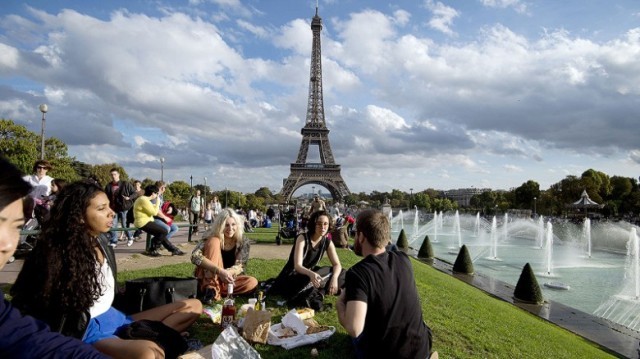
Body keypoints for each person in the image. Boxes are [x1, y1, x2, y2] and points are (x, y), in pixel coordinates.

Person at [10, 179, 202, 358]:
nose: (111, 212)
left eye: (109, 206)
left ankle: (142, 339)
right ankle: (143, 342)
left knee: (194, 306)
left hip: (116, 317)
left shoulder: (102, 241)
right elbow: (29, 301)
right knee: (149, 354)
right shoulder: (56, 253)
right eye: (102, 208)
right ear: (79, 216)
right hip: (88, 329)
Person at [0, 157, 108, 358]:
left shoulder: (3, 315)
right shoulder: (56, 250)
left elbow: (35, 341)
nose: (7, 244)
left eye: (16, 226)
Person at [336, 209, 433, 359]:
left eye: (356, 233)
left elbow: (354, 328)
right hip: (421, 351)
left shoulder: (358, 273)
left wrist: (340, 303)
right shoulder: (404, 259)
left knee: (356, 338)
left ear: (361, 237)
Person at [269, 210, 345, 303]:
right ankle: (322, 290)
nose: (322, 227)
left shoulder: (327, 242)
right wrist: (311, 274)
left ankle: (322, 288)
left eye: (325, 224)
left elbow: (337, 264)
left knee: (341, 272)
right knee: (311, 278)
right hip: (294, 275)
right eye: (319, 224)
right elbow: (297, 266)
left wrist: (334, 279)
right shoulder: (302, 238)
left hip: (310, 272)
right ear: (313, 224)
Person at [191, 209, 258, 303]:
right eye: (226, 225)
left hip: (227, 278)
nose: (230, 228)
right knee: (214, 241)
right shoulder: (211, 236)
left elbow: (241, 265)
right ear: (220, 226)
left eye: (233, 224)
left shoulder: (243, 241)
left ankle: (213, 290)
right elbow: (195, 256)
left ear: (237, 225)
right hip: (208, 275)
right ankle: (211, 288)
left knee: (252, 282)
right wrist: (219, 271)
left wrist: (227, 273)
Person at [133, 185, 185, 256]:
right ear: (153, 193)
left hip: (147, 221)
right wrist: (158, 201)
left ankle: (173, 249)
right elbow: (154, 212)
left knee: (161, 234)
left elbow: (153, 209)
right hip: (142, 222)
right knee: (163, 231)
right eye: (157, 193)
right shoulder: (143, 200)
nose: (157, 195)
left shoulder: (145, 199)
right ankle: (153, 249)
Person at [104, 168, 136, 247]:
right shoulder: (108, 186)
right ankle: (114, 241)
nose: (113, 176)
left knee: (124, 225)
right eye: (112, 175)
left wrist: (129, 198)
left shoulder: (125, 184)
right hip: (113, 209)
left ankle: (130, 237)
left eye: (115, 174)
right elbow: (105, 196)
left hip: (123, 208)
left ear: (118, 175)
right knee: (113, 225)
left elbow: (134, 193)